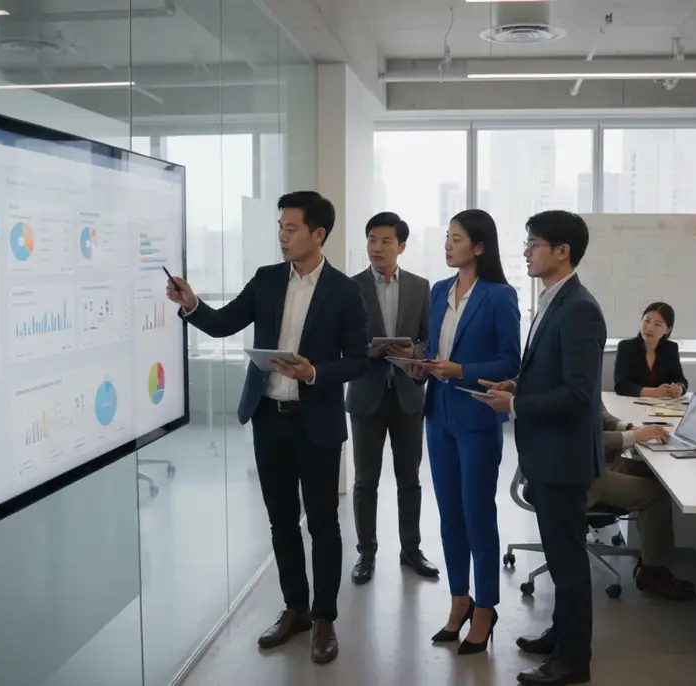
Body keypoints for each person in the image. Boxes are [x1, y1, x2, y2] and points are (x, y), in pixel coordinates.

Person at [165, 191, 367, 665]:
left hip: (316, 424)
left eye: (291, 228)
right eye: (280, 226)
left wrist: (314, 372)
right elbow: (223, 323)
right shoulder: (267, 279)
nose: (282, 235)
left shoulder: (344, 291)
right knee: (281, 522)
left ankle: (324, 617)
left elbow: (359, 360)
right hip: (268, 418)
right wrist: (192, 304)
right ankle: (296, 609)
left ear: (318, 234)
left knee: (323, 523)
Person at [476, 209, 605, 685]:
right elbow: (552, 374)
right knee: (560, 555)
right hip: (547, 454)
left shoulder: (580, 308)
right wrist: (517, 385)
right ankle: (560, 636)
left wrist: (515, 404)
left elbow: (578, 394)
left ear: (562, 251)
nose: (526, 251)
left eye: (533, 244)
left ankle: (573, 661)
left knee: (568, 563)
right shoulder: (554, 299)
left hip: (563, 459)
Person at [409, 209, 520, 655]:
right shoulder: (440, 290)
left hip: (477, 417)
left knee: (478, 516)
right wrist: (421, 365)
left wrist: (460, 370)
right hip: (438, 416)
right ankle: (460, 601)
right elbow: (435, 347)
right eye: (447, 237)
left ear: (479, 246)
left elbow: (510, 362)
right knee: (449, 516)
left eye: (456, 239)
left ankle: (486, 607)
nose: (447, 245)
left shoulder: (499, 295)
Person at [345, 212, 438, 585]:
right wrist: (364, 350)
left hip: (407, 396)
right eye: (371, 240)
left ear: (401, 246)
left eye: (385, 241)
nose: (377, 247)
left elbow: (429, 338)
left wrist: (413, 351)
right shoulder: (351, 287)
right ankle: (366, 553)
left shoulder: (420, 286)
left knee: (409, 479)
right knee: (365, 481)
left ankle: (411, 549)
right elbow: (341, 341)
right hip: (366, 394)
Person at [593, 410, 696, 601]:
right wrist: (633, 437)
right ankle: (653, 572)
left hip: (594, 461)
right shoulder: (567, 393)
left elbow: (598, 412)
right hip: (581, 476)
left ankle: (651, 556)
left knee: (658, 474)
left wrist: (628, 428)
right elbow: (580, 439)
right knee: (656, 495)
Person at [614, 302, 689, 398]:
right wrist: (655, 392)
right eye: (647, 321)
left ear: (668, 330)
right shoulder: (626, 347)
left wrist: (679, 388)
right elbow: (621, 386)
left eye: (657, 324)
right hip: (632, 403)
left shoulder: (670, 348)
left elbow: (680, 379)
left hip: (662, 405)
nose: (649, 328)